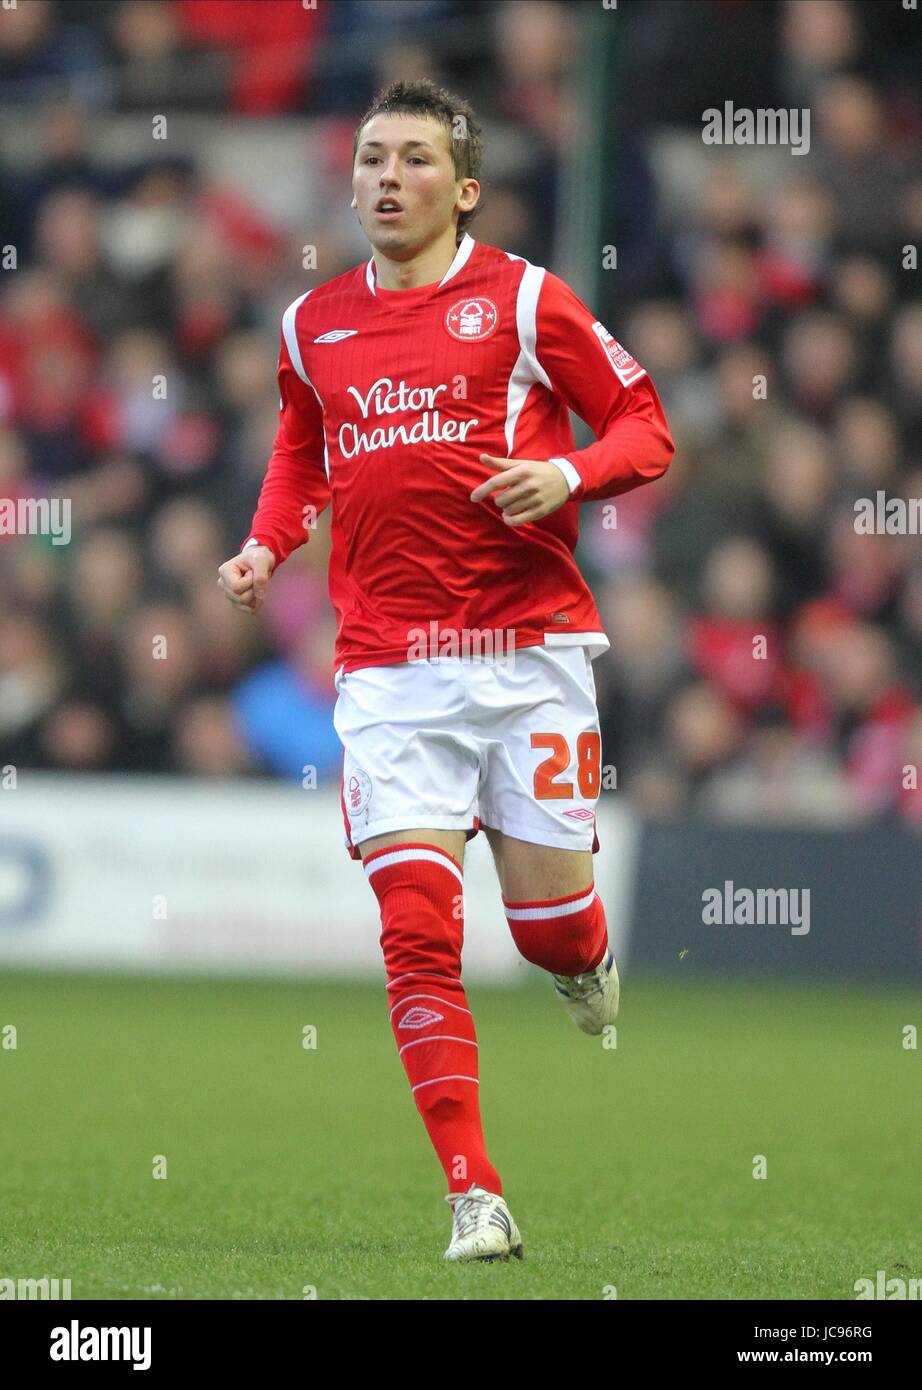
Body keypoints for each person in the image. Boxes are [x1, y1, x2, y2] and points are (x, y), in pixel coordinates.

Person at [217, 79, 674, 1262]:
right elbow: (301, 443)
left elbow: (644, 423)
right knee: (416, 927)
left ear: (461, 189)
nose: (384, 177)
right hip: (387, 670)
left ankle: (586, 959)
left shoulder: (525, 300)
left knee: (549, 935)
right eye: (371, 157)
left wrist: (569, 476)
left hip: (529, 655)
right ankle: (474, 1190)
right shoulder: (310, 322)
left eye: (413, 159)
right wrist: (269, 541)